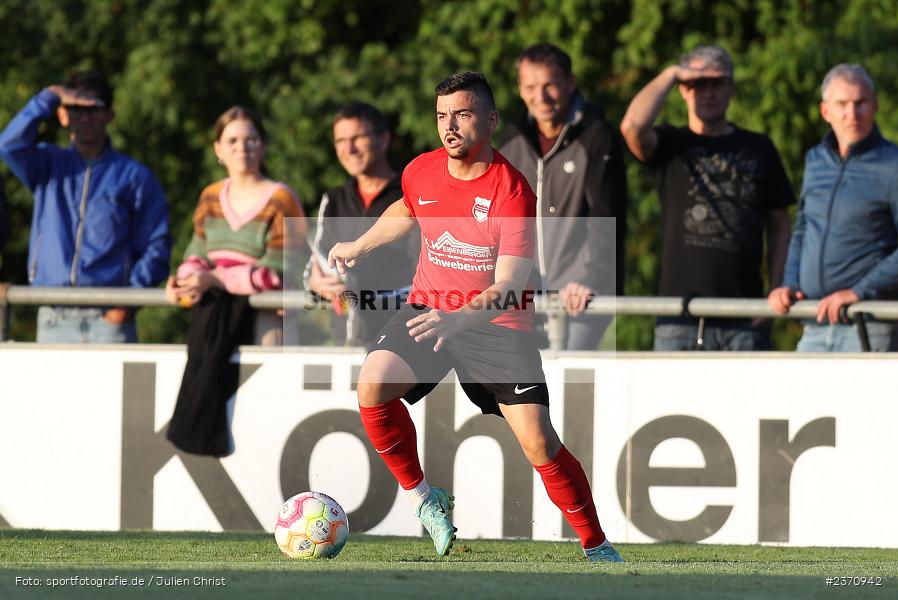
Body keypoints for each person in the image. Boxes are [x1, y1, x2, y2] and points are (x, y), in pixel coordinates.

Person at [328, 72, 623, 562]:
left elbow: (508, 287)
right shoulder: (422, 169)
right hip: (429, 309)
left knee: (537, 442)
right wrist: (359, 245)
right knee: (371, 385)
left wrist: (457, 320)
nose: (450, 126)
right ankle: (426, 500)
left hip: (497, 326)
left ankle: (597, 544)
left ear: (490, 119)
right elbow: (407, 208)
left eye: (462, 115)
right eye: (443, 116)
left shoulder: (512, 191)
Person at [620, 45, 794, 350]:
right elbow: (632, 127)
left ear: (731, 89)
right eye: (698, 84)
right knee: (673, 401)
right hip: (678, 318)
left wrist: (775, 292)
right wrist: (672, 73)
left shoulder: (760, 148)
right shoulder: (671, 144)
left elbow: (780, 226)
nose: (708, 92)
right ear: (683, 90)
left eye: (718, 83)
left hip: (745, 318)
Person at [0, 70, 171, 342]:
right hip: (53, 318)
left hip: (111, 322)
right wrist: (50, 96)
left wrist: (126, 304)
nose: (84, 117)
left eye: (93, 109)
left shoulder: (134, 176)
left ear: (109, 116)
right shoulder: (47, 164)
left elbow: (157, 245)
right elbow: (8, 145)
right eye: (75, 109)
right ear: (62, 114)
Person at [500, 43, 627, 350]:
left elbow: (607, 213)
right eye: (530, 87)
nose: (540, 97)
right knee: (524, 393)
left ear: (570, 83)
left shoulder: (597, 135)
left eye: (550, 85)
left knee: (575, 394)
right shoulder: (511, 139)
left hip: (580, 298)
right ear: (519, 89)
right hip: (523, 299)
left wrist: (592, 279)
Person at [768, 64, 898, 351]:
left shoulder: (895, 165)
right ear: (825, 111)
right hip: (813, 321)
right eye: (842, 104)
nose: (852, 114)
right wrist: (788, 282)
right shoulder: (815, 160)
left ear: (874, 106)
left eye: (860, 103)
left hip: (869, 323)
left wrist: (858, 292)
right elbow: (803, 229)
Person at [165, 106, 306, 346]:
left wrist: (216, 279)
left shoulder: (282, 200)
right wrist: (185, 281)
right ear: (218, 148)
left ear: (263, 146)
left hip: (265, 319)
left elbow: (278, 273)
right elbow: (197, 253)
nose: (242, 148)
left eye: (251, 139)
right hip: (214, 317)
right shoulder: (210, 196)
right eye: (232, 140)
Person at [305, 102, 417, 345]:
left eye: (358, 137)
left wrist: (365, 298)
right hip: (344, 341)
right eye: (340, 141)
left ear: (384, 140)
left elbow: (426, 275)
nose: (349, 148)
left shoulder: (411, 195)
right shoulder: (333, 199)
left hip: (403, 340)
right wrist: (316, 283)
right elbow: (316, 265)